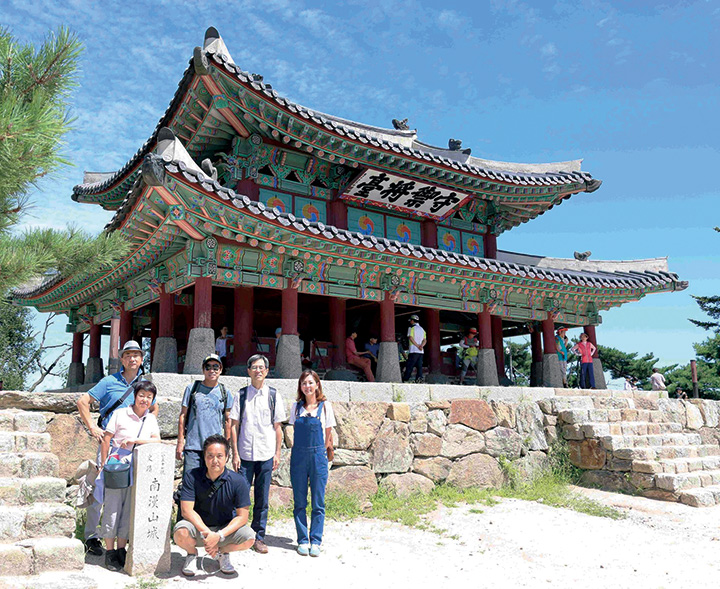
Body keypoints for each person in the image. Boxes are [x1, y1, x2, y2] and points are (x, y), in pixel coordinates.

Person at [76, 340, 158, 557]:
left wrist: (145, 430)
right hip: (110, 446)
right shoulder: (109, 382)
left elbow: (154, 407)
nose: (132, 359)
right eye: (128, 355)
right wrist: (93, 427)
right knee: (101, 490)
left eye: (136, 355)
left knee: (128, 495)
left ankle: (123, 538)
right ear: (121, 359)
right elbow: (83, 401)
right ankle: (92, 536)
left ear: (142, 359)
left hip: (134, 449)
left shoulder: (145, 385)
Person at [98, 381, 161, 571]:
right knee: (112, 508)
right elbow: (107, 439)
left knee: (129, 509)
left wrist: (135, 440)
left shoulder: (150, 419)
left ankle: (121, 550)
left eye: (149, 397)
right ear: (135, 395)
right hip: (117, 466)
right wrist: (103, 464)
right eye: (142, 395)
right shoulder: (120, 414)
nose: (145, 399)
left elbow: (156, 440)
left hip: (138, 467)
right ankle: (109, 551)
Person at [174, 434, 255, 576]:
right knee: (180, 532)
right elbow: (186, 511)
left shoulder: (238, 481)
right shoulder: (191, 476)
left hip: (224, 530)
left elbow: (242, 517)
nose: (214, 460)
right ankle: (192, 554)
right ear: (204, 457)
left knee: (249, 538)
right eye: (210, 456)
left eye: (219, 456)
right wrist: (209, 534)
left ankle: (222, 553)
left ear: (227, 458)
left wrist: (218, 536)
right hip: (198, 528)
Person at [229, 354, 287, 554]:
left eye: (261, 367)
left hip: (266, 453)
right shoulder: (241, 395)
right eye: (254, 367)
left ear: (267, 371)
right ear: (248, 371)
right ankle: (238, 534)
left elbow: (278, 428)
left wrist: (277, 453)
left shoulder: (273, 395)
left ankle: (258, 536)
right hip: (244, 454)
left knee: (262, 499)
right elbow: (234, 426)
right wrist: (235, 453)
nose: (258, 370)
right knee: (240, 496)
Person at [289, 370, 336, 557]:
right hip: (298, 457)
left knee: (318, 501)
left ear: (317, 384)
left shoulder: (325, 407)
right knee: (299, 501)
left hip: (318, 457)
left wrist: (320, 454)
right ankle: (302, 539)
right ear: (300, 387)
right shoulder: (295, 407)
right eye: (304, 383)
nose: (307, 386)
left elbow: (328, 435)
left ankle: (316, 540)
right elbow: (293, 430)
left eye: (310, 382)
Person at [176, 354, 233, 477]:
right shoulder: (192, 389)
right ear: (203, 370)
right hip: (193, 446)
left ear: (221, 370)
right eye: (208, 367)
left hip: (215, 448)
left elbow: (228, 420)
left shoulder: (225, 392)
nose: (212, 370)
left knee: (212, 483)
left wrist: (227, 446)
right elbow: (183, 416)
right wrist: (180, 442)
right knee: (190, 483)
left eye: (215, 367)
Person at [403, 314, 426, 382]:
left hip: (413, 350)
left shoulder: (411, 328)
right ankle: (419, 379)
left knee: (410, 365)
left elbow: (410, 337)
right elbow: (425, 340)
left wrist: (417, 345)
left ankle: (406, 379)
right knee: (419, 366)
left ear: (412, 321)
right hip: (421, 351)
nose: (410, 322)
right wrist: (421, 346)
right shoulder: (422, 329)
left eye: (411, 321)